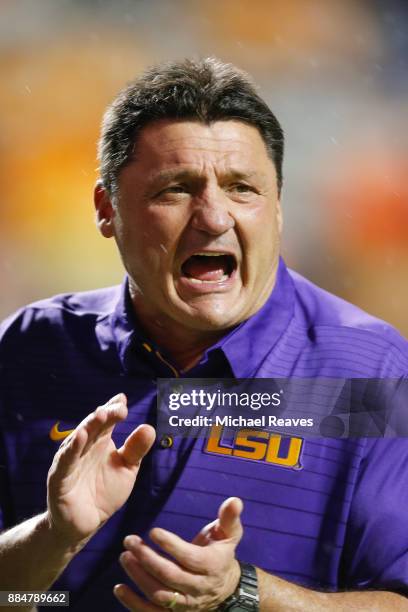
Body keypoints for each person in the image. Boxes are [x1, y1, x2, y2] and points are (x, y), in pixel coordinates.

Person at [1, 57, 408, 612]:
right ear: (106, 209)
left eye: (243, 188)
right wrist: (55, 536)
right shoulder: (31, 347)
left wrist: (243, 594)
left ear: (280, 209)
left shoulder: (370, 369)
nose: (214, 217)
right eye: (175, 189)